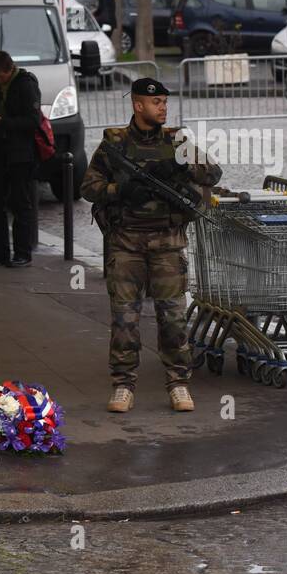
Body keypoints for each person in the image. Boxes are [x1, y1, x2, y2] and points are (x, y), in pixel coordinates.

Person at [81, 78, 222, 413]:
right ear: (137, 105)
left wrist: (178, 163)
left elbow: (213, 172)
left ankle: (178, 383)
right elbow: (89, 186)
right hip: (126, 243)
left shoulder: (177, 140)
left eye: (164, 101)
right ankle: (123, 385)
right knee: (124, 320)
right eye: (155, 101)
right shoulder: (114, 143)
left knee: (173, 318)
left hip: (168, 244)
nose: (162, 107)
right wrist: (121, 191)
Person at [0, 50, 40, 267]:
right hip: (0, 150)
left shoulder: (26, 85)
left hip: (21, 153)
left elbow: (32, 121)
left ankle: (22, 253)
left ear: (9, 69)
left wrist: (3, 122)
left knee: (20, 203)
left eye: (1, 76)